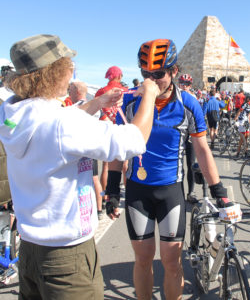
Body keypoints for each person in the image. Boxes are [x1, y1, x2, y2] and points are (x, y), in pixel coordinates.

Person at [0, 34, 159, 299]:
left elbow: (51, 122)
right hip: (67, 259)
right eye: (68, 66)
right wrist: (150, 96)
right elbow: (134, 140)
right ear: (54, 72)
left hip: (30, 250)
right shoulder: (63, 125)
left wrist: (95, 104)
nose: (72, 72)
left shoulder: (12, 115)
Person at [108, 39, 233, 300]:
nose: (151, 81)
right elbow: (117, 150)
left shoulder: (189, 104)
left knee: (172, 262)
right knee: (142, 260)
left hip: (170, 192)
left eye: (158, 74)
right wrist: (110, 190)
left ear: (174, 71)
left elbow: (202, 150)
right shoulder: (131, 104)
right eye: (146, 75)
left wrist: (218, 190)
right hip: (137, 191)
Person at [69, 80, 105, 219]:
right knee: (95, 179)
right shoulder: (96, 107)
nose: (69, 93)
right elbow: (104, 121)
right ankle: (99, 207)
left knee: (90, 179)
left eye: (71, 90)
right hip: (92, 147)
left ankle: (93, 208)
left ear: (77, 92)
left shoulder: (76, 108)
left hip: (81, 149)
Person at [95, 66, 128, 208]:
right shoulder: (125, 91)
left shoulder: (101, 91)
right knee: (125, 164)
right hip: (121, 129)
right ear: (119, 76)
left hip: (106, 130)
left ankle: (105, 195)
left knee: (106, 165)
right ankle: (127, 192)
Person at [178, 73, 197, 203]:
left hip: (190, 135)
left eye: (187, 84)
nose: (184, 86)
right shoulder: (175, 96)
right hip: (179, 133)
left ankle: (191, 192)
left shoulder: (193, 98)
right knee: (178, 164)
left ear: (190, 85)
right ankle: (179, 193)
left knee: (191, 164)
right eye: (182, 83)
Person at [234, 93, 250, 158]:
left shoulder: (249, 105)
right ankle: (238, 152)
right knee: (242, 138)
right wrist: (236, 118)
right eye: (249, 99)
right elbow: (239, 111)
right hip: (242, 121)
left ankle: (245, 152)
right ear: (247, 99)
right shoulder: (244, 104)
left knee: (247, 136)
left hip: (246, 121)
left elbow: (249, 114)